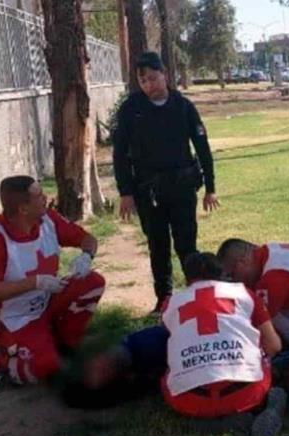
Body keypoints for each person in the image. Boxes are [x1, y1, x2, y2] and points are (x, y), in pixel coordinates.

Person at [66, 252, 287, 436]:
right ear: (223, 274)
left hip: (189, 400)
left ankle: (204, 423)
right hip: (245, 393)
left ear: (188, 279)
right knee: (262, 361)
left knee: (172, 361)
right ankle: (263, 406)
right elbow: (274, 345)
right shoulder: (244, 294)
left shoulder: (171, 303)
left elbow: (175, 337)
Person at [0, 175, 106, 385]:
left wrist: (86, 256)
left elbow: (88, 239)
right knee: (46, 366)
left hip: (45, 301)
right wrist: (35, 282)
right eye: (39, 196)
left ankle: (64, 343)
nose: (45, 198)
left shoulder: (48, 219)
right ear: (23, 209)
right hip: (13, 317)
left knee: (92, 282)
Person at [112, 51, 219, 315]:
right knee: (157, 246)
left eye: (153, 78)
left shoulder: (183, 107)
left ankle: (196, 295)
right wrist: (125, 192)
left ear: (165, 75)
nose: (149, 84)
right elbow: (119, 154)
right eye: (143, 80)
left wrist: (210, 187)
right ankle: (165, 299)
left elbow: (202, 147)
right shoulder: (131, 109)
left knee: (187, 245)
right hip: (149, 191)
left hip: (182, 188)